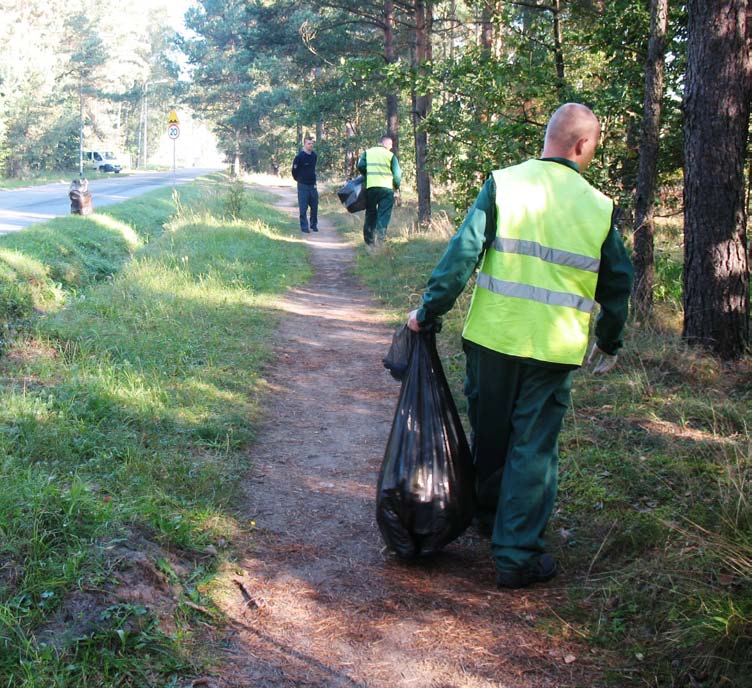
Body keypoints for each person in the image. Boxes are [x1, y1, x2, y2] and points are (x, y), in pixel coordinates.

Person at [406, 103, 633, 589]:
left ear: (548, 138)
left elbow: (462, 254)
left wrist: (429, 312)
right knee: (533, 447)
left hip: (492, 338)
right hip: (553, 350)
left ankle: (488, 520)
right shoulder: (598, 206)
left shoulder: (505, 183)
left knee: (491, 435)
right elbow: (618, 285)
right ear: (582, 145)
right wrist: (609, 339)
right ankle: (515, 554)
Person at [357, 136, 402, 246]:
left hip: (371, 188)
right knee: (383, 215)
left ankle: (369, 242)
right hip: (386, 189)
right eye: (390, 145)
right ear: (385, 144)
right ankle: (380, 241)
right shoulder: (390, 156)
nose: (391, 148)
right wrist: (396, 186)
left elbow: (360, 166)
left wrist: (367, 174)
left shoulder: (368, 152)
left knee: (370, 214)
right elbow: (397, 175)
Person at [292, 137, 318, 233]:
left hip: (313, 185)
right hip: (303, 185)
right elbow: (294, 170)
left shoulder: (314, 155)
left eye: (312, 143)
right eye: (308, 143)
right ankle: (304, 227)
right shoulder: (299, 157)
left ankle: (313, 224)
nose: (310, 145)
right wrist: (299, 179)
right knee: (303, 207)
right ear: (304, 144)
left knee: (314, 205)